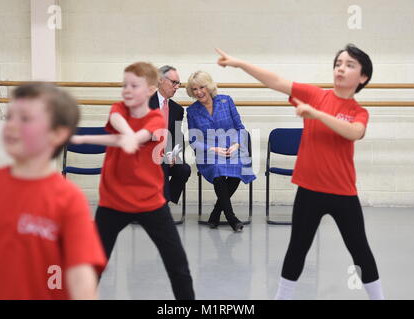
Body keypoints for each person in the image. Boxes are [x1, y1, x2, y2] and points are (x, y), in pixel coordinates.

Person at [216, 44, 385, 300]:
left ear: (363, 77)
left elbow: (352, 132)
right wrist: (240, 64)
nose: (341, 68)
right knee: (297, 249)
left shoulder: (358, 112)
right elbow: (276, 81)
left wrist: (317, 114)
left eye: (350, 65)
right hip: (309, 191)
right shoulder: (315, 95)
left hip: (343, 193)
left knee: (359, 250)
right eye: (339, 63)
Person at [71, 62, 195, 300]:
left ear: (150, 89)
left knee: (177, 265)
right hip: (113, 202)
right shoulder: (118, 108)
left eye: (134, 86)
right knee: (93, 264)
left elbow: (147, 132)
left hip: (150, 203)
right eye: (124, 85)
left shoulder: (157, 118)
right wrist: (127, 135)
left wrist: (133, 138)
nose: (127, 90)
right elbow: (118, 120)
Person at [0, 82, 106, 300]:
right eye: (9, 117)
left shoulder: (68, 199)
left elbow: (81, 280)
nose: (12, 125)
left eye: (25, 119)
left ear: (57, 134)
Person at [186, 71, 256, 232]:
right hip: (209, 153)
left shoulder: (226, 101)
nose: (199, 92)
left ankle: (216, 212)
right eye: (194, 89)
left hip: (232, 150)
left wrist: (237, 145)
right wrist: (212, 149)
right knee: (218, 171)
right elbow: (194, 140)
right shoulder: (192, 111)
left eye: (202, 87)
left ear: (209, 86)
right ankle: (231, 217)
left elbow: (240, 128)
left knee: (239, 169)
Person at [149, 65, 191, 204]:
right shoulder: (144, 102)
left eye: (178, 83)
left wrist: (173, 155)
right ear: (160, 80)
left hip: (166, 155)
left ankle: (160, 203)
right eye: (174, 82)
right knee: (162, 163)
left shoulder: (177, 109)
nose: (177, 87)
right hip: (145, 155)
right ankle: (160, 208)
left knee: (184, 169)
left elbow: (177, 137)